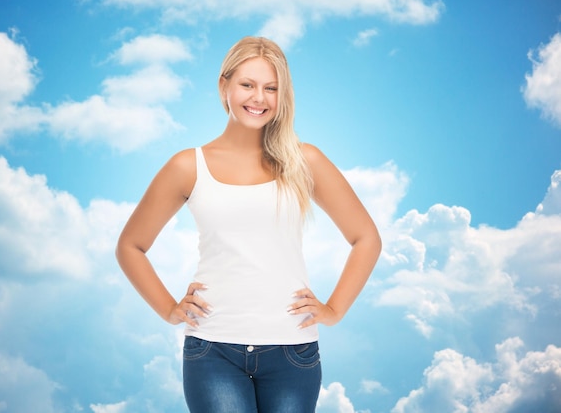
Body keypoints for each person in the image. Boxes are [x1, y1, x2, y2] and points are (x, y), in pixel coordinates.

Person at [116, 36, 382, 413]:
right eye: (247, 85)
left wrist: (335, 309)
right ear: (224, 85)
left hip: (292, 351)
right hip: (212, 350)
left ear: (282, 95)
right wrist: (169, 309)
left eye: (271, 88)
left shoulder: (305, 162)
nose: (259, 98)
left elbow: (366, 237)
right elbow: (130, 246)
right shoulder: (187, 166)